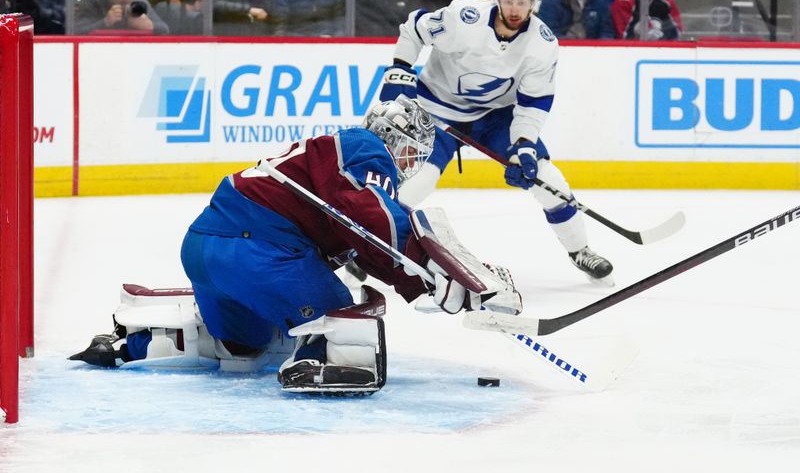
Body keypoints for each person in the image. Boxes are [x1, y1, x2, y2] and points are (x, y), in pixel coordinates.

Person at [68, 97, 521, 395]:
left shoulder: (330, 152)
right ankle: (317, 363)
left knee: (245, 346)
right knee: (343, 321)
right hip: (257, 252)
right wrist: (427, 277)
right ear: (397, 141)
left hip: (205, 248)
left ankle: (139, 342)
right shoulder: (365, 148)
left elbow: (362, 239)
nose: (408, 164)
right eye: (411, 153)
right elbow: (373, 220)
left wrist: (414, 278)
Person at [378, 0, 614, 283]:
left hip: (494, 117)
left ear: (534, 2)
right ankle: (369, 244)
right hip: (437, 108)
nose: (515, 9)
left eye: (523, 1)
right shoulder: (464, 18)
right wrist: (402, 67)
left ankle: (580, 250)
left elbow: (533, 104)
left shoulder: (542, 46)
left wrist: (524, 146)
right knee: (417, 183)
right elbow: (414, 28)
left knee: (548, 178)